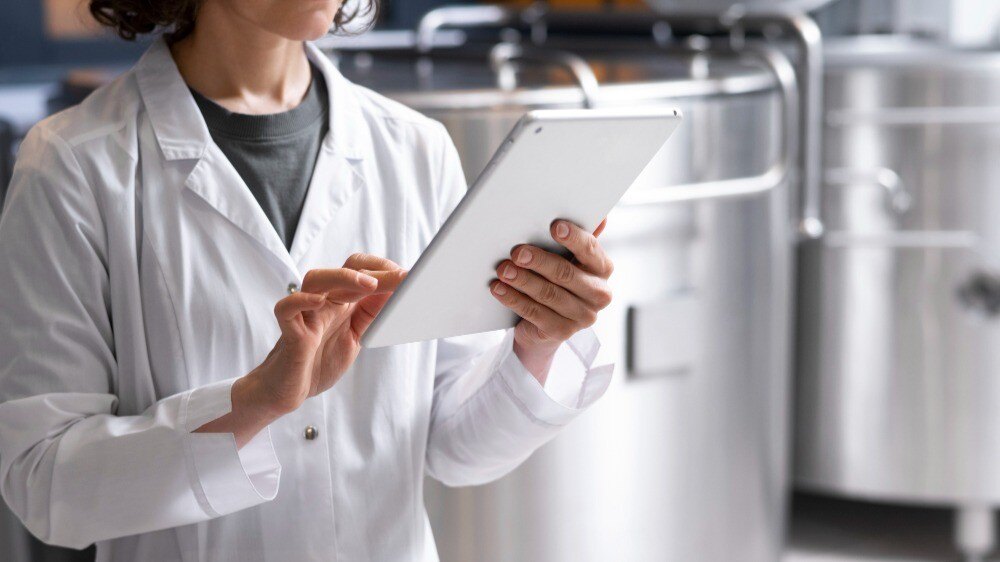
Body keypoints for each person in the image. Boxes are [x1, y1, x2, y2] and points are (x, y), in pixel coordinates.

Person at [0, 1, 615, 560]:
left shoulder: (415, 149)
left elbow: (455, 447)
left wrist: (537, 343)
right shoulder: (72, 164)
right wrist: (253, 405)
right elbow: (45, 483)